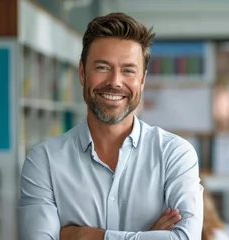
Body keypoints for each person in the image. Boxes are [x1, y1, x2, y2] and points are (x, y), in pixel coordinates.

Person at [17, 12, 204, 240]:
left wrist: (84, 236)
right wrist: (145, 236)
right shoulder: (43, 161)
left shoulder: (174, 154)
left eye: (128, 70)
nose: (115, 81)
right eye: (103, 67)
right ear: (82, 73)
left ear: (142, 80)